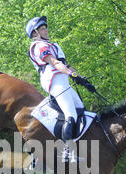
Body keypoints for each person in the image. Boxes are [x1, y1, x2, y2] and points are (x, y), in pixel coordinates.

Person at [25, 16, 94, 161]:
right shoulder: (39, 46)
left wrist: (83, 80)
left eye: (45, 27)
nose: (46, 30)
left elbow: (66, 66)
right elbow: (55, 63)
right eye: (42, 28)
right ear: (35, 33)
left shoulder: (53, 45)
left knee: (80, 109)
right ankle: (67, 153)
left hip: (63, 80)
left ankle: (74, 147)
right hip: (54, 80)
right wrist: (72, 75)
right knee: (72, 115)